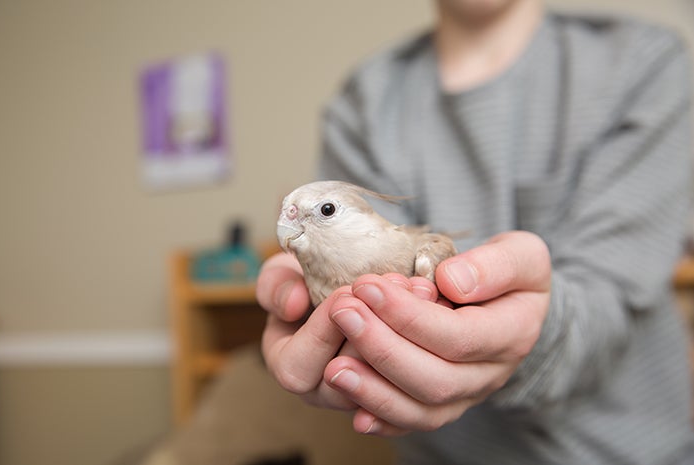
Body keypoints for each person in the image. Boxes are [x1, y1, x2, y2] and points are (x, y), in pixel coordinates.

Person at [256, 0, 694, 463]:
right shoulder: (362, 103)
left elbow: (613, 298)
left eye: (323, 210)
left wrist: (529, 335)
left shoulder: (646, 62)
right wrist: (317, 338)